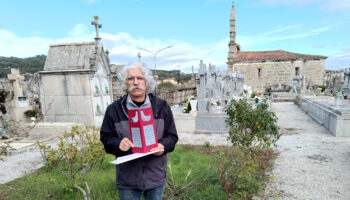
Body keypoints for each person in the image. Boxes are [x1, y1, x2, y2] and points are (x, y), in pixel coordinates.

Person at [100, 63, 178, 200]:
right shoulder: (114, 110)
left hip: (156, 176)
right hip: (127, 179)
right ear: (125, 84)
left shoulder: (162, 107)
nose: (135, 82)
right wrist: (118, 144)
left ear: (146, 82)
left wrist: (163, 146)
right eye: (130, 79)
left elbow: (172, 136)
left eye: (140, 78)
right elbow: (106, 138)